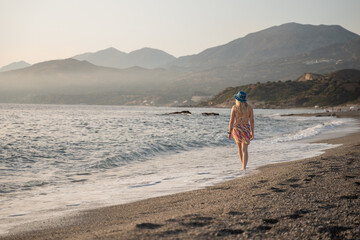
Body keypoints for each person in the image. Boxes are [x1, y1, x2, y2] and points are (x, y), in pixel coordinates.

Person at [228, 91, 254, 170]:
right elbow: (252, 121)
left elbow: (231, 121)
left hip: (237, 129)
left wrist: (229, 132)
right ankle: (244, 167)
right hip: (246, 129)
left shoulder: (235, 108)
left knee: (239, 148)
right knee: (245, 150)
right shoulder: (249, 108)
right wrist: (252, 132)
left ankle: (243, 166)